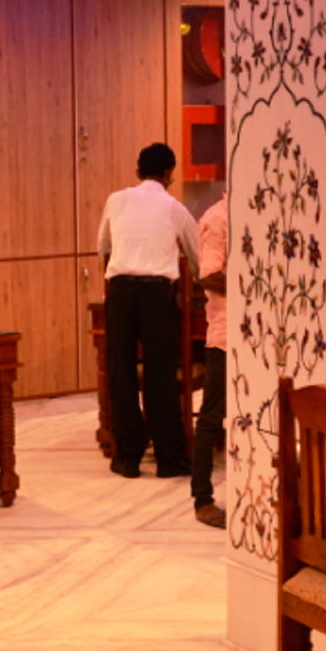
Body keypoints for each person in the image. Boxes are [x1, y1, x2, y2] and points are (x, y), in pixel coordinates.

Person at [99, 142, 200, 479]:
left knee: (121, 372)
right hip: (158, 295)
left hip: (120, 292)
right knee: (161, 375)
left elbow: (103, 248)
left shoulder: (116, 200)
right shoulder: (175, 209)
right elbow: (198, 261)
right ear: (169, 173)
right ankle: (169, 458)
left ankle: (128, 456)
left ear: (138, 170)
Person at [190, 193, 228, 527]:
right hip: (227, 334)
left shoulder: (257, 214)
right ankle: (202, 497)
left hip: (259, 336)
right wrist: (257, 287)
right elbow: (210, 275)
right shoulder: (218, 217)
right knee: (213, 416)